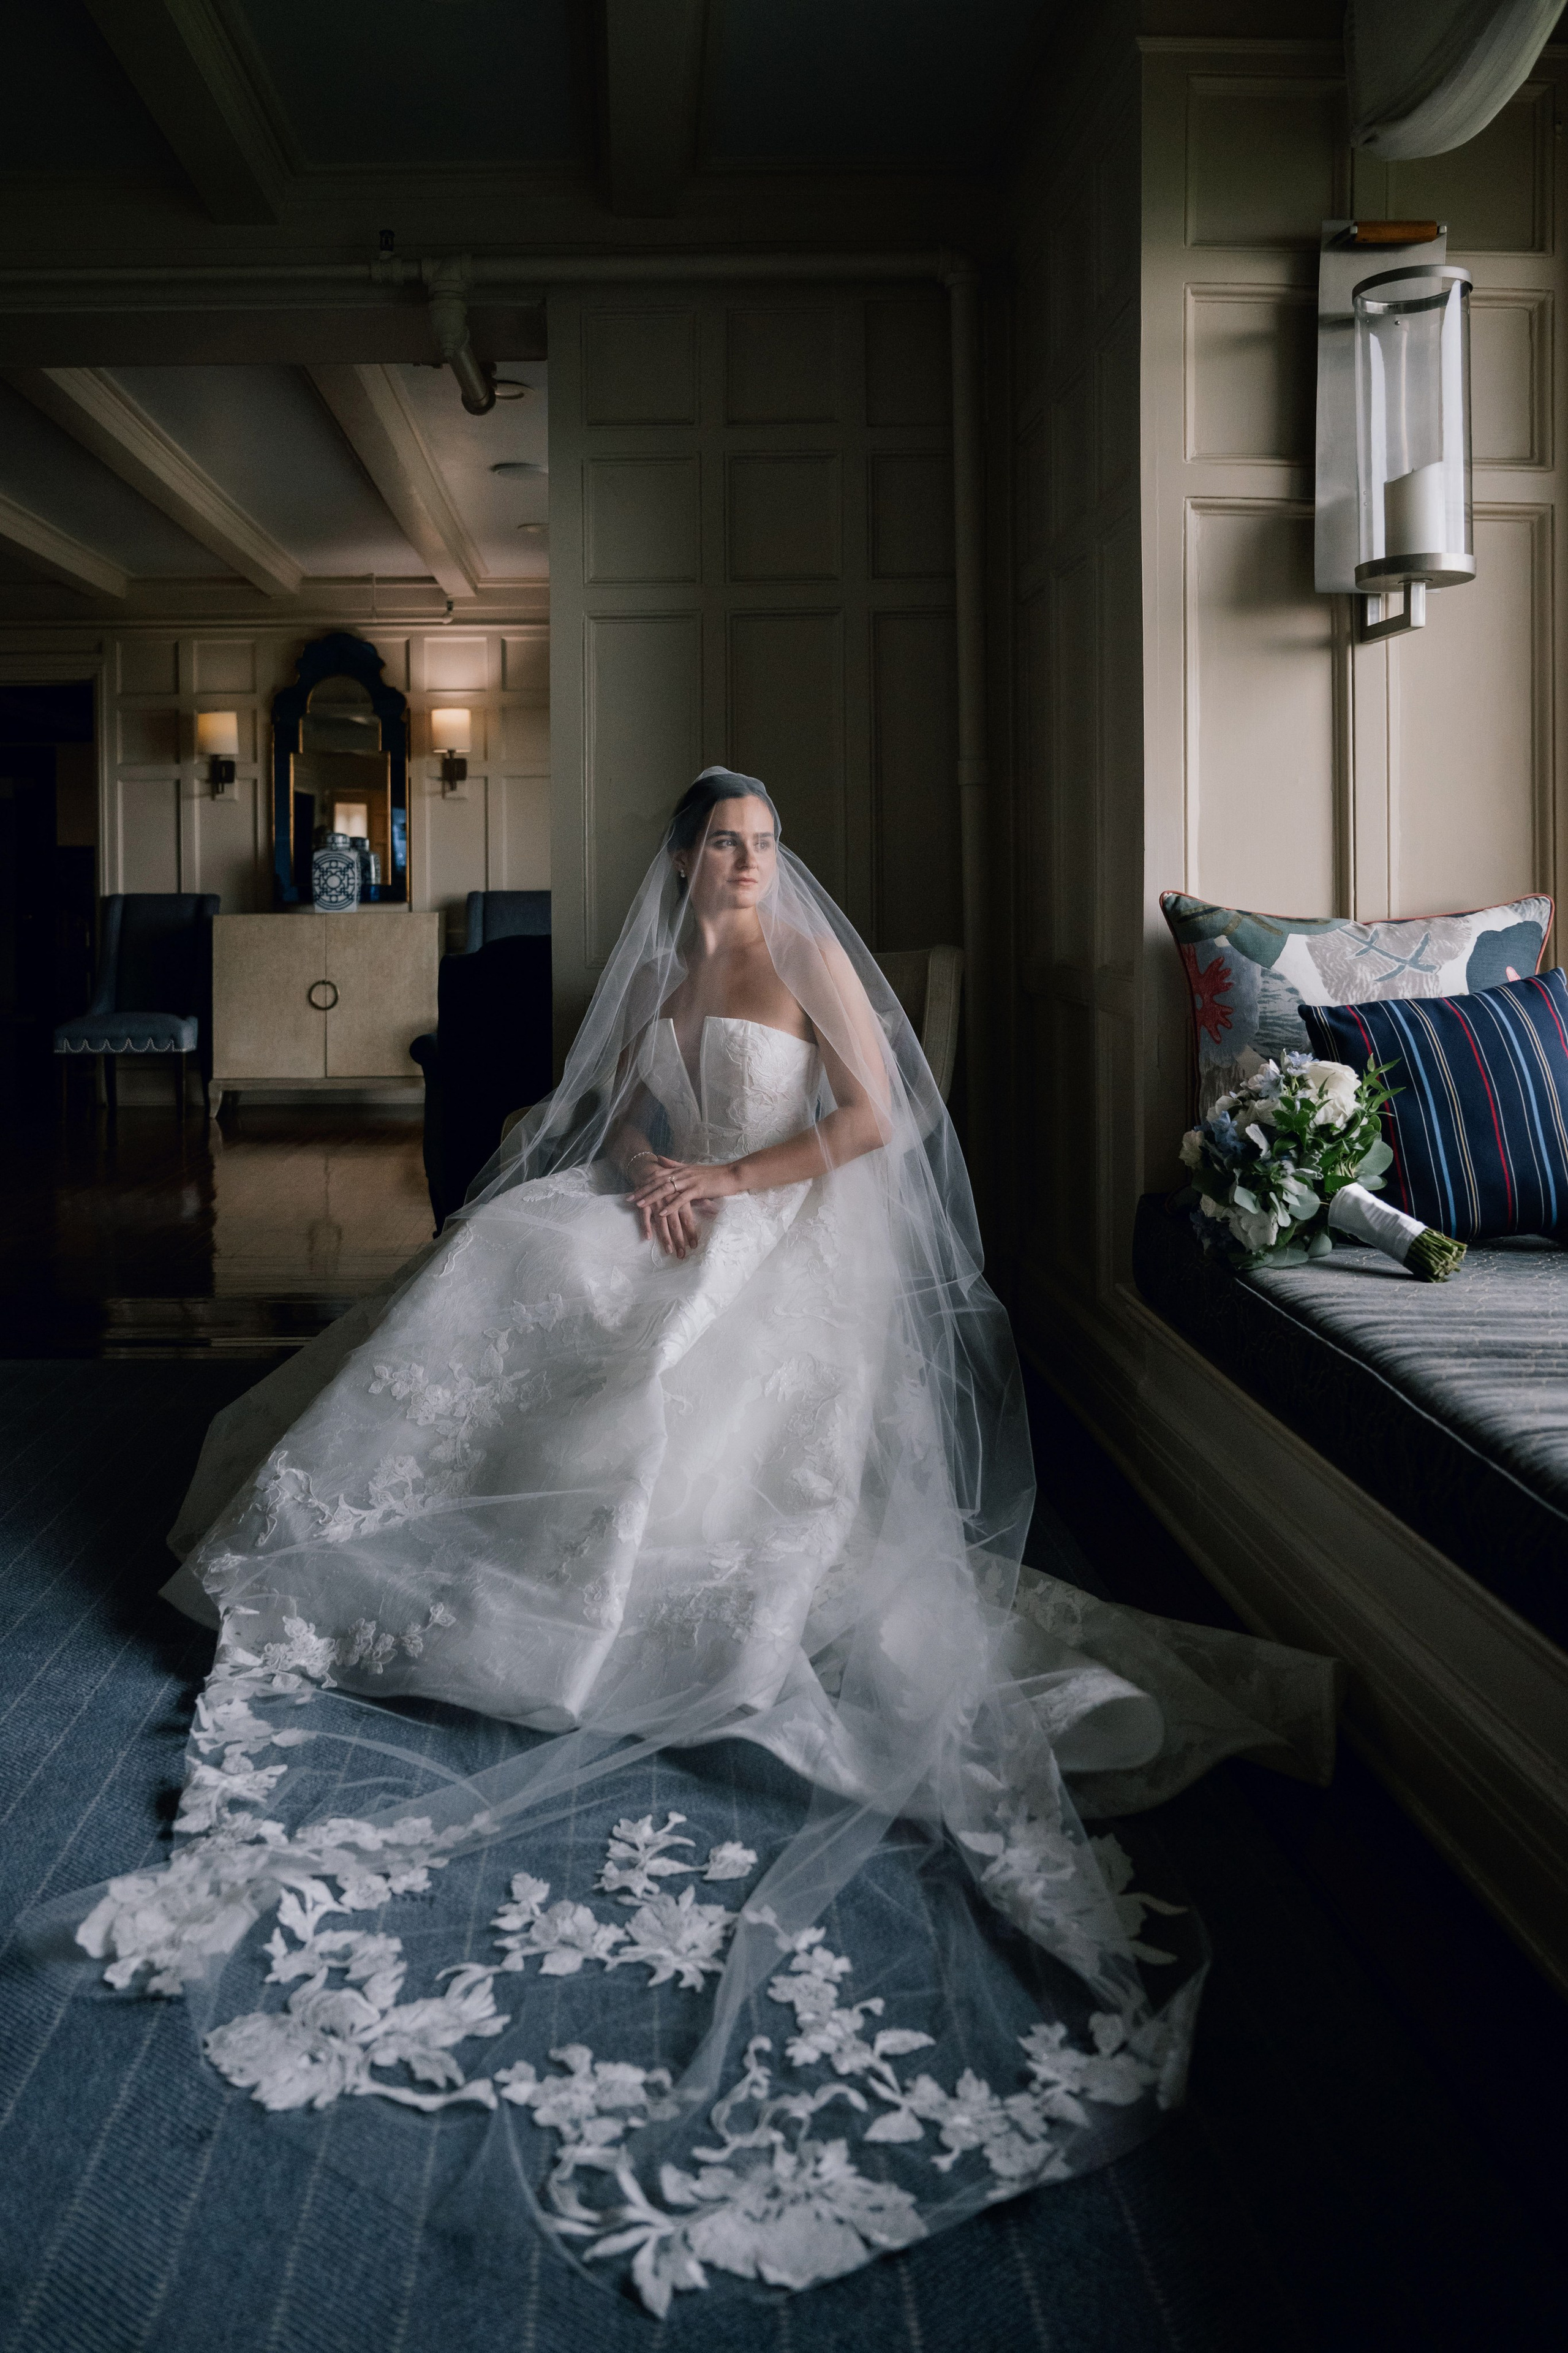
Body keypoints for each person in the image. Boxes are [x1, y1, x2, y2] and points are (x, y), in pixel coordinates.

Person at [48, 769, 1336, 2314]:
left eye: (765, 844)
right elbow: (629, 1125)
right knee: (516, 1249)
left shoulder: (804, 959)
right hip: (685, 1203)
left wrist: (722, 1183)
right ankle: (414, 1516)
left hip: (786, 1232)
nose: (745, 864)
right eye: (724, 843)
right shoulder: (661, 973)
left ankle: (581, 1562)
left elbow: (874, 1119)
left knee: (654, 1357)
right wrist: (645, 1176)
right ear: (682, 858)